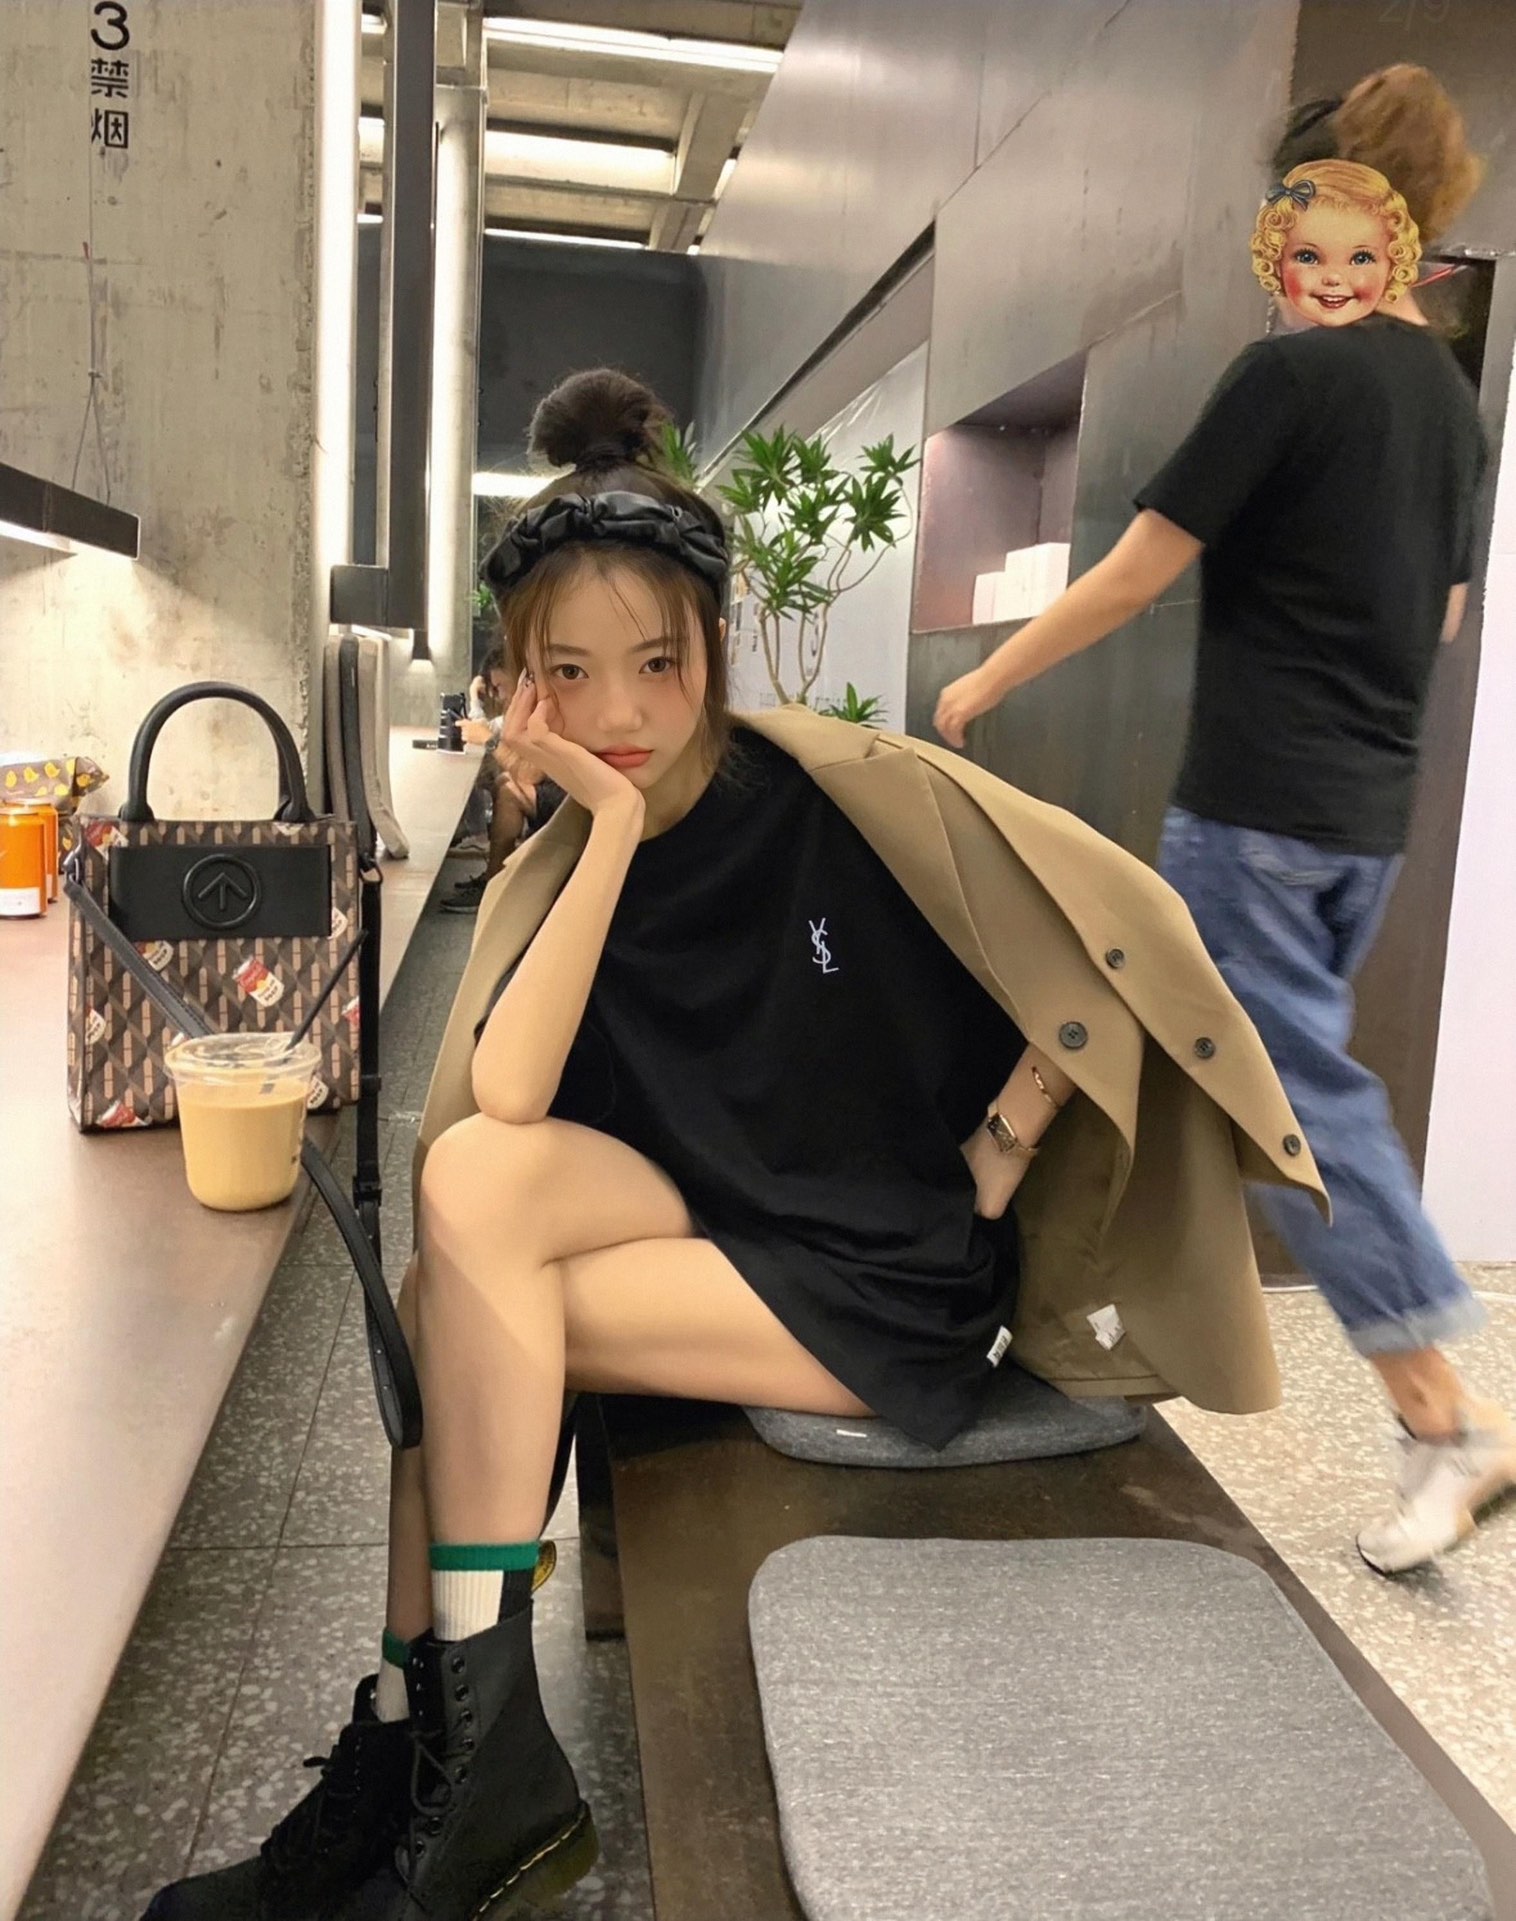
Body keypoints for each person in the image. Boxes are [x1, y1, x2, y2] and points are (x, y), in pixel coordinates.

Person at [145, 368, 1321, 1921]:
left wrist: (1008, 1135)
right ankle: (435, 1745)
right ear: (522, 684)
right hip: (711, 1219)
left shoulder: (829, 807)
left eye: (657, 662)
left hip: (871, 1283)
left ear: (715, 641)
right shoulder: (578, 835)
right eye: (571, 672)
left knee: (458, 1309)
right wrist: (602, 839)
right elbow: (507, 1100)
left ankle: (445, 1757)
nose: (622, 712)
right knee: (472, 1193)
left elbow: (1109, 936)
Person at [935, 86, 1515, 1577]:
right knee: (1150, 1012)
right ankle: (993, 1227)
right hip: (1363, 822)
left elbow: (1136, 571)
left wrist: (986, 679)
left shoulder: (1289, 376)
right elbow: (1447, 614)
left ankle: (1444, 1416)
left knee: (1293, 1109)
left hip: (1258, 808)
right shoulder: (1448, 403)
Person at [443, 646, 542, 913]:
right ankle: (493, 876)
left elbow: (531, 773)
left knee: (507, 789)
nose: (499, 695)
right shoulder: (521, 709)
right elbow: (495, 730)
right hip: (560, 785)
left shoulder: (538, 709)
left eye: (500, 687)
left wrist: (488, 739)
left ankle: (492, 886)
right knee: (502, 782)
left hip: (567, 793)